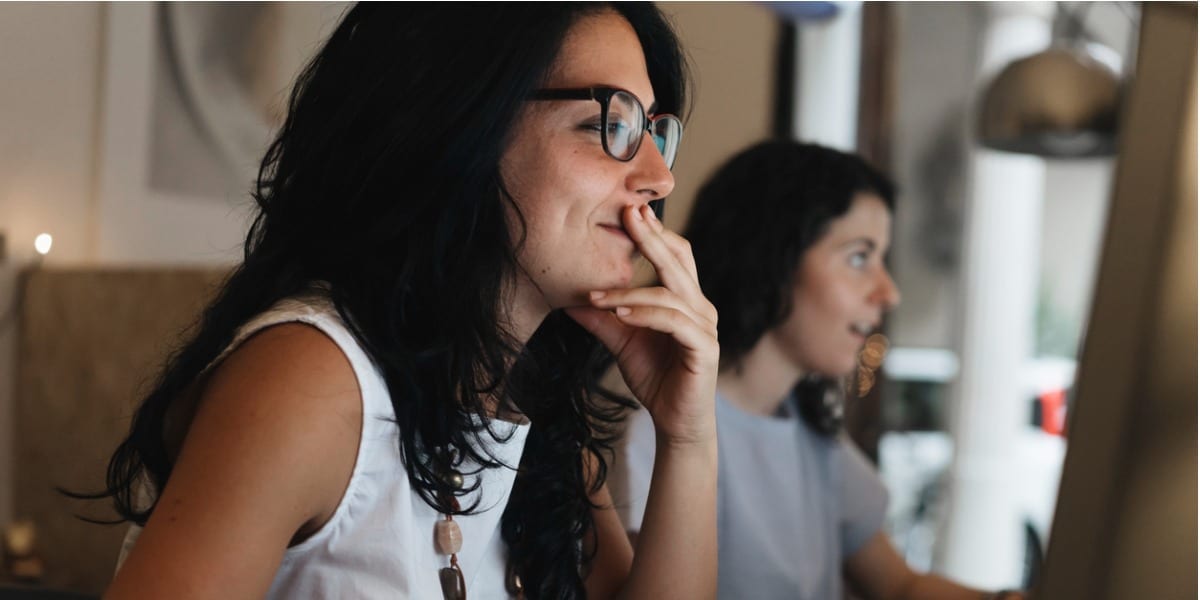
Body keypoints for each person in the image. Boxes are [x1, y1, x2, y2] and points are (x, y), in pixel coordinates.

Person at [88, 4, 721, 598]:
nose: (660, 178)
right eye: (609, 125)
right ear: (464, 122)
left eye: (652, 131)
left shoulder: (533, 424)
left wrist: (687, 436)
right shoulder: (314, 383)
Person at [613, 140, 1024, 600]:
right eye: (859, 257)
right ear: (772, 257)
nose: (889, 293)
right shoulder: (655, 434)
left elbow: (900, 586)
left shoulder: (811, 431)